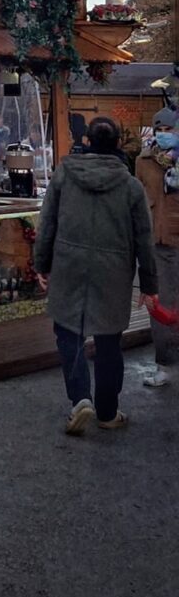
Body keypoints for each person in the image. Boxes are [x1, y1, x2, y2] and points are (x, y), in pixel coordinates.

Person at [34, 116, 158, 435]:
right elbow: (144, 238)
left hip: (68, 265)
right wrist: (149, 284)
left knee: (68, 334)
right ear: (118, 144)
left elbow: (47, 224)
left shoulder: (64, 175)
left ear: (86, 142)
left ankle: (80, 399)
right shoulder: (131, 186)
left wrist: (42, 264)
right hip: (113, 272)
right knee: (109, 341)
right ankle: (107, 411)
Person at [136, 108, 179, 388]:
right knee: (160, 306)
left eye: (169, 130)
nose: (164, 135)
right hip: (157, 244)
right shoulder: (143, 161)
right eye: (159, 130)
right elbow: (138, 200)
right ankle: (164, 364)